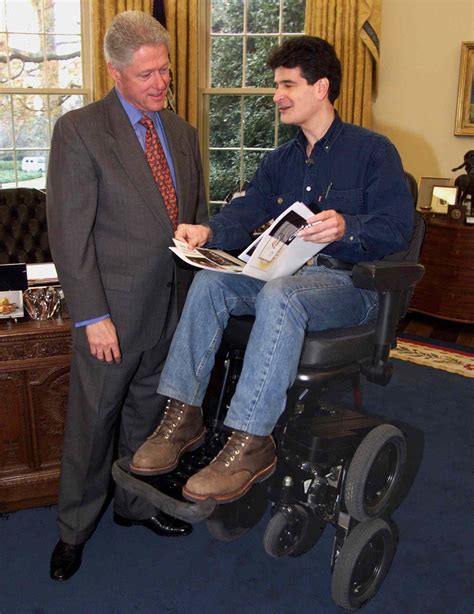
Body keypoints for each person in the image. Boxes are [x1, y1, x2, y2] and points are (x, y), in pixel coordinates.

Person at [130, 36, 414, 505]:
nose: (277, 95)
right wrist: (207, 231)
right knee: (211, 282)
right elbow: (245, 215)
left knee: (281, 294)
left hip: (349, 284)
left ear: (320, 88)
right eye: (276, 85)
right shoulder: (280, 161)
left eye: (287, 85)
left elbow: (397, 230)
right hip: (282, 274)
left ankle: (249, 440)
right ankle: (182, 417)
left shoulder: (373, 152)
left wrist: (348, 225)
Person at [46, 10, 208, 581]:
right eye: (147, 75)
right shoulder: (81, 131)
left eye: (165, 71)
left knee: (150, 418)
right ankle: (73, 530)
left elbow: (196, 218)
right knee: (93, 426)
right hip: (111, 315)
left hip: (173, 308)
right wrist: (92, 314)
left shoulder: (184, 134)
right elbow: (69, 233)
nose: (161, 83)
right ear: (115, 73)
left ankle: (135, 506)